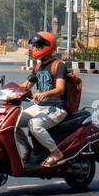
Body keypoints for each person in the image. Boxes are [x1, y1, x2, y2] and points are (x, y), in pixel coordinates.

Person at [20, 31, 69, 167]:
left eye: (38, 46)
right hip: (41, 107)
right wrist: (10, 91)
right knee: (14, 121)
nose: (35, 49)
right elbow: (27, 85)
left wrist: (44, 94)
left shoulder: (59, 66)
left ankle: (55, 152)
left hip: (56, 108)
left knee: (34, 124)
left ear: (47, 46)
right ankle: (28, 149)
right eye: (34, 46)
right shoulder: (38, 66)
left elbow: (60, 89)